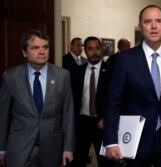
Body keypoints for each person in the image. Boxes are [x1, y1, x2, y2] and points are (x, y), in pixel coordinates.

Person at [103, 4, 161, 167]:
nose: (154, 26)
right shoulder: (125, 60)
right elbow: (113, 103)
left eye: (158, 21)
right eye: (148, 22)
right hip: (136, 141)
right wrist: (110, 141)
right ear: (141, 26)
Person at [0, 29, 75, 167]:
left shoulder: (62, 76)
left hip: (52, 150)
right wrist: (1, 148)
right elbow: (2, 116)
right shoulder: (11, 77)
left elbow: (68, 115)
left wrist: (68, 148)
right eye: (35, 48)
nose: (42, 52)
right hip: (19, 149)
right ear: (24, 52)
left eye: (45, 47)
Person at [72, 36, 114, 167]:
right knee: (78, 160)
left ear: (101, 50)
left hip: (103, 123)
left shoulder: (112, 71)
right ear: (85, 51)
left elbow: (116, 99)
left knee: (106, 162)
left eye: (97, 48)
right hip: (81, 123)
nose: (94, 52)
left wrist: (107, 117)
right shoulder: (77, 71)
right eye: (90, 49)